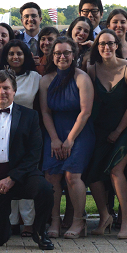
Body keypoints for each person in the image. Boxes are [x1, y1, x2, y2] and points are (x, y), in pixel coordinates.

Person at [0, 70, 55, 250]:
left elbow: (34, 154)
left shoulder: (30, 116)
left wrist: (12, 178)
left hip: (21, 177)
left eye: (6, 88)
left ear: (14, 90)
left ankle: (39, 232)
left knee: (45, 189)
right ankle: (2, 226)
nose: (2, 92)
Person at [83, 30, 127, 239]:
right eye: (102, 44)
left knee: (116, 170)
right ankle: (105, 216)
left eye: (110, 44)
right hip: (101, 127)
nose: (106, 48)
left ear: (117, 45)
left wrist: (118, 131)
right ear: (97, 47)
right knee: (92, 174)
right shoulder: (91, 68)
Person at [39, 37, 95, 239]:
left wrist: (70, 139)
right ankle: (54, 220)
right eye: (57, 53)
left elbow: (85, 112)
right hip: (54, 131)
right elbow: (45, 112)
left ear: (73, 55)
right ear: (52, 56)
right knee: (51, 176)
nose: (62, 56)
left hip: (79, 132)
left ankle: (78, 221)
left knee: (72, 176)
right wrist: (54, 138)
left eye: (66, 53)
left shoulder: (81, 78)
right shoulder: (46, 80)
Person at [0, 40, 42, 237]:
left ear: (25, 56)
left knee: (25, 175)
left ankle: (28, 222)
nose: (15, 57)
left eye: (19, 53)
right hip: (3, 130)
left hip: (27, 131)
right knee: (7, 174)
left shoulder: (34, 77)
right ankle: (10, 220)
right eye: (11, 54)